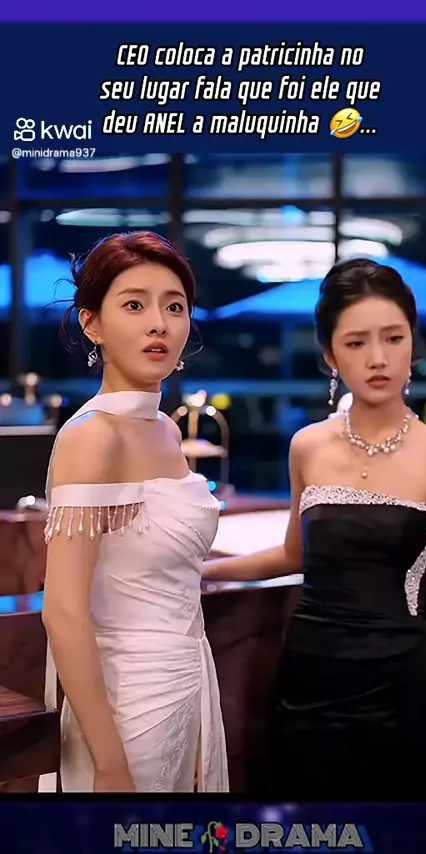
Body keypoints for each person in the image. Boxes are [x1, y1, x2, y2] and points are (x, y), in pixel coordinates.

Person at [203, 258, 426, 799]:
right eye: (356, 343)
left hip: (406, 688)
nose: (378, 358)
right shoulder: (307, 446)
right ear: (330, 355)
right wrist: (203, 572)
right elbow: (294, 554)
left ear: (412, 343)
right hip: (310, 682)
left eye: (393, 338)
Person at [40, 231, 229, 793]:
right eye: (134, 305)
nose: (159, 324)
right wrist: (110, 762)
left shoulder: (166, 429)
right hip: (124, 706)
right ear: (92, 323)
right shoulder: (92, 437)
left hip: (186, 682)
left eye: (174, 307)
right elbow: (63, 613)